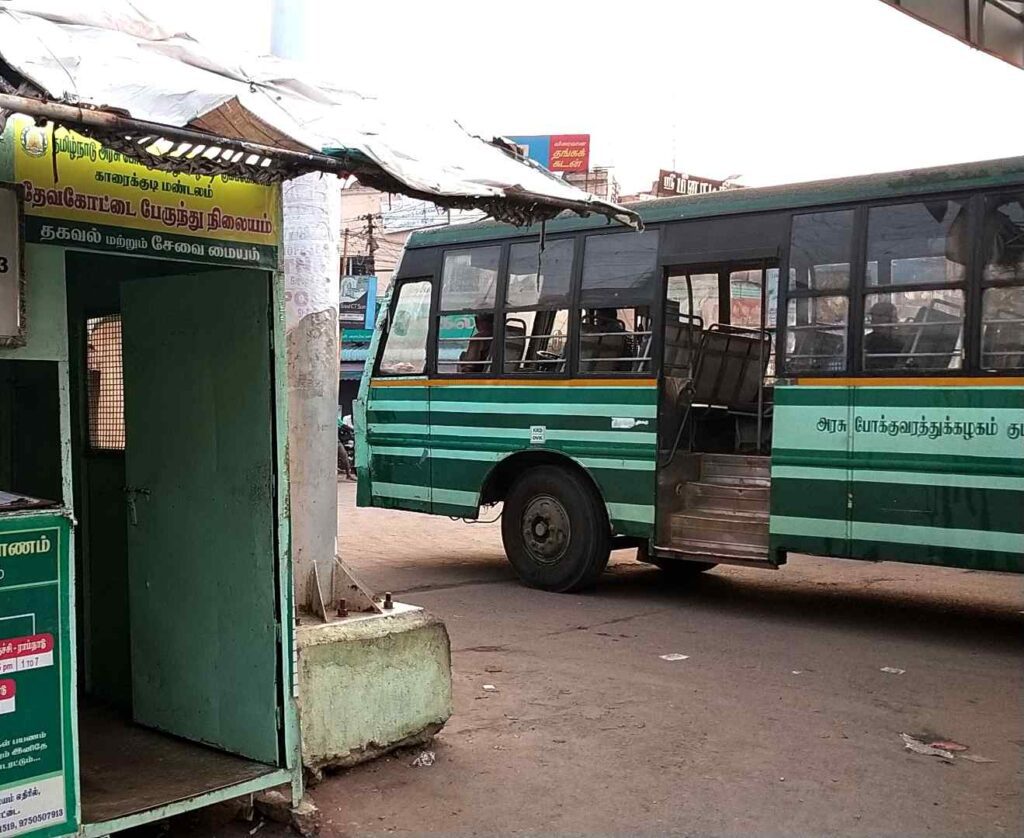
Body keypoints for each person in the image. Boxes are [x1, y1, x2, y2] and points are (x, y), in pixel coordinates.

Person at [863, 300, 904, 370]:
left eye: (878, 316)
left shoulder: (899, 341)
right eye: (872, 316)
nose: (872, 320)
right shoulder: (867, 340)